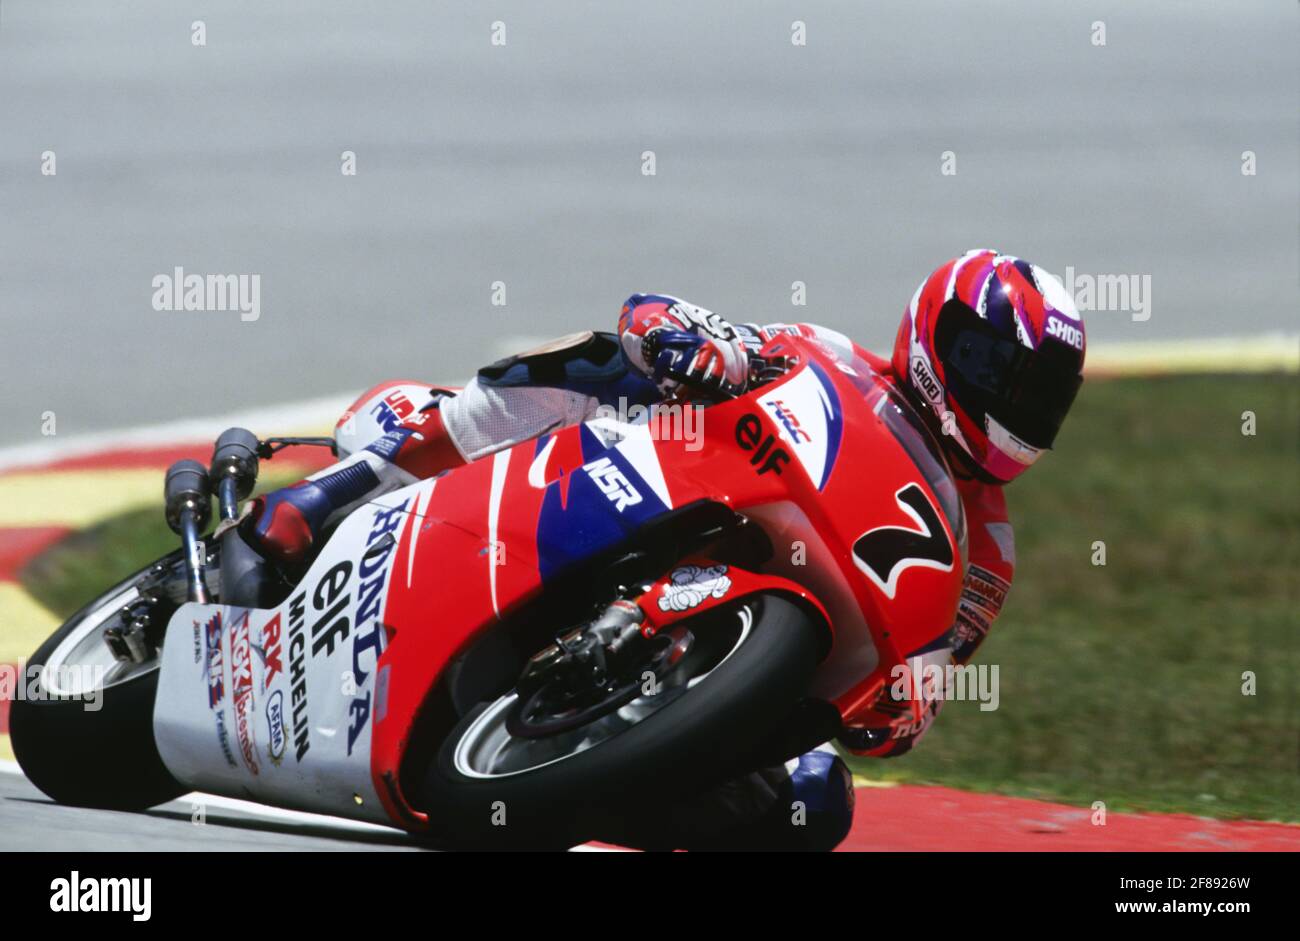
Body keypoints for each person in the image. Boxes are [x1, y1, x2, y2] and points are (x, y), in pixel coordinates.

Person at [243, 249, 1086, 849]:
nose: (1019, 405)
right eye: (1003, 373)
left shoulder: (992, 553)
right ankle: (339, 490)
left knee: (817, 803)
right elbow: (685, 328)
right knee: (605, 367)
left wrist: (907, 701)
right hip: (665, 482)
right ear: (947, 338)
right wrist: (689, 341)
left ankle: (573, 782)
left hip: (773, 641)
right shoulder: (831, 355)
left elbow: (918, 689)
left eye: (1041, 395)